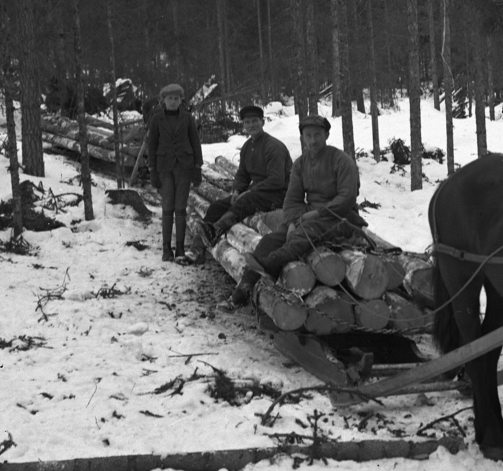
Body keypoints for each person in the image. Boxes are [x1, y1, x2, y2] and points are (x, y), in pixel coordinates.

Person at [229, 114, 365, 308]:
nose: (313, 140)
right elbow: (292, 199)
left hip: (341, 217)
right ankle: (243, 289)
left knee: (305, 232)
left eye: (317, 135)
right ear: (302, 138)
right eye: (308, 136)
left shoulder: (342, 160)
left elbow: (347, 197)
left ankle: (274, 264)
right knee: (271, 240)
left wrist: (316, 214)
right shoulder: (301, 163)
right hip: (308, 216)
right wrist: (292, 222)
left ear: (326, 135)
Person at [199, 104, 293, 249]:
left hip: (278, 194)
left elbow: (277, 180)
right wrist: (237, 190)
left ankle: (216, 229)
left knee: (247, 200)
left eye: (255, 121)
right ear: (243, 125)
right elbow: (242, 174)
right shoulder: (247, 147)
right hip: (257, 193)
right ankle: (198, 247)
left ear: (263, 122)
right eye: (247, 122)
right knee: (217, 207)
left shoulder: (273, 146)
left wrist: (249, 192)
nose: (251, 125)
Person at [145, 83, 203, 263]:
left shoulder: (187, 118)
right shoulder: (156, 119)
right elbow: (152, 144)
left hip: (184, 166)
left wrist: (197, 167)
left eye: (176, 98)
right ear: (163, 100)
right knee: (167, 207)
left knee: (180, 207)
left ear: (181, 100)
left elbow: (195, 141)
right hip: (164, 167)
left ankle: (179, 247)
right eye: (169, 98)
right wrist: (152, 170)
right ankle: (166, 248)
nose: (173, 101)